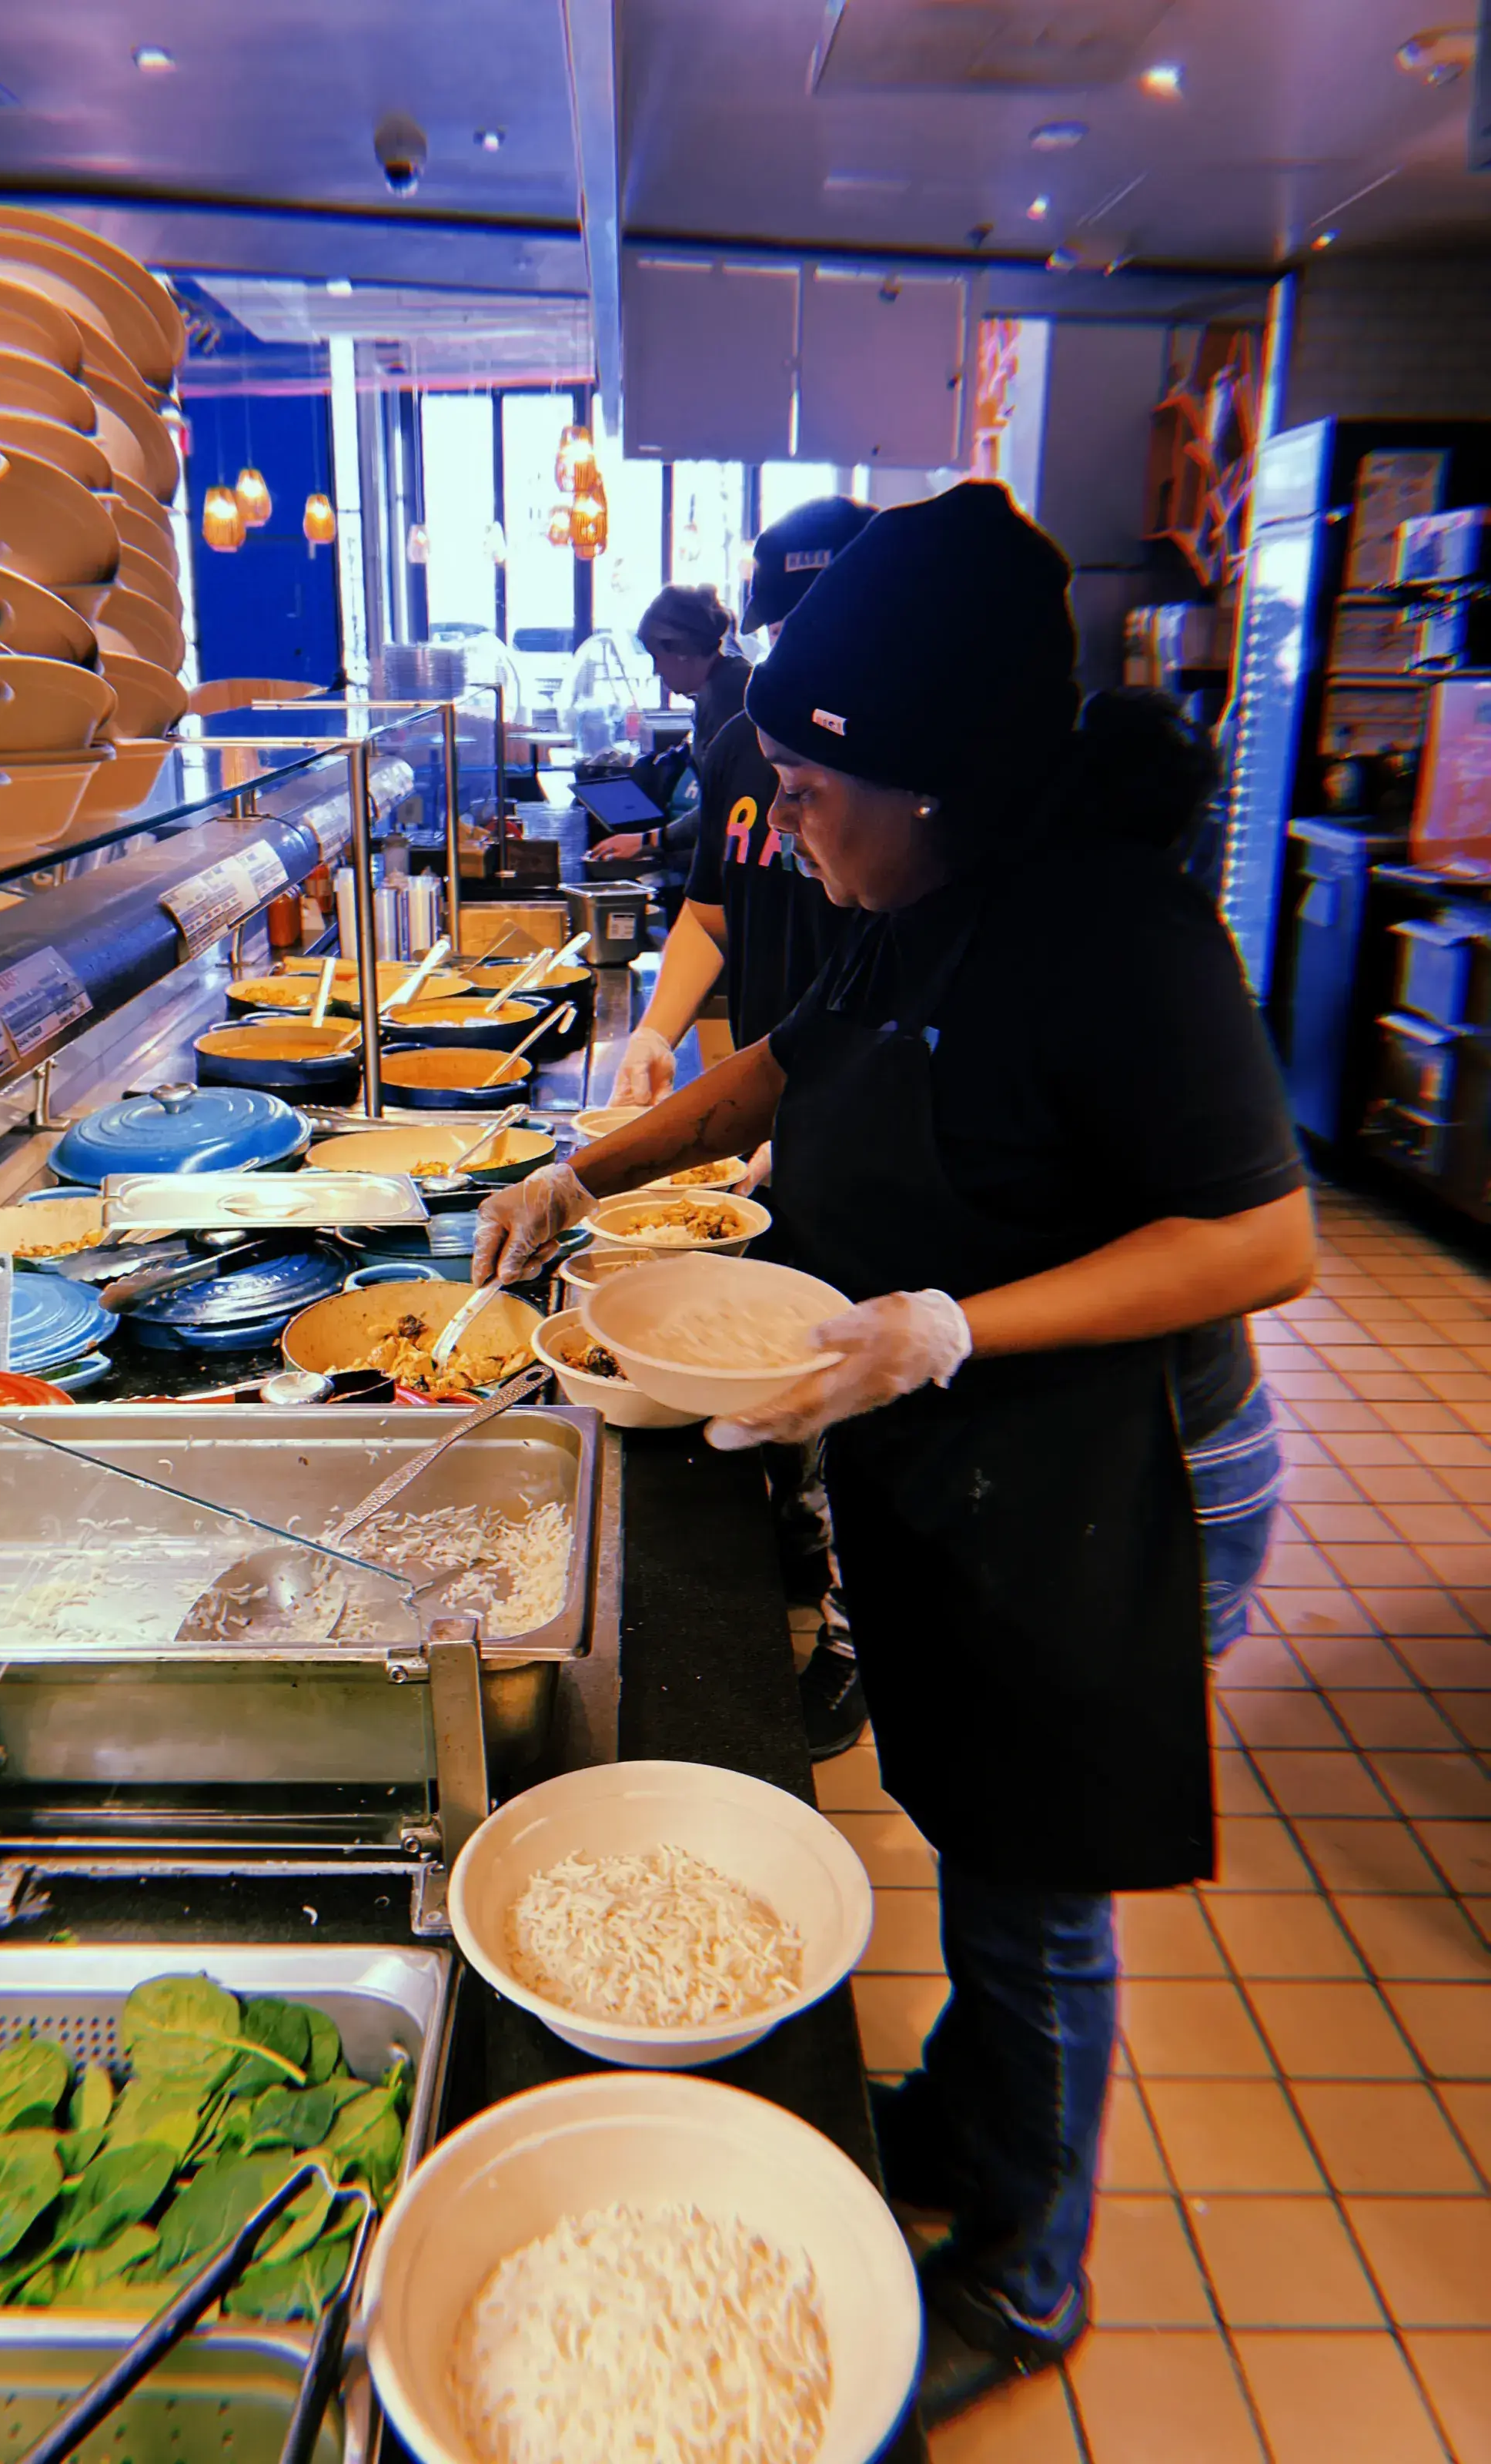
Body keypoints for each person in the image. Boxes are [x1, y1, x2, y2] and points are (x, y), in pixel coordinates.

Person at [471, 481, 1314, 2427]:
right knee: (967, 1808)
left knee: (1038, 1869)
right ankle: (962, 2106)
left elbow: (1260, 1238)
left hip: (1123, 1481)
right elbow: (783, 1072)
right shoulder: (903, 900)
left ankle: (1026, 2276)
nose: (782, 827)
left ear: (932, 779)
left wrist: (950, 1323)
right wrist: (575, 1164)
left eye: (810, 789)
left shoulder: (1108, 928)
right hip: (968, 1455)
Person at [610, 499, 878, 1758]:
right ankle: (790, 1544)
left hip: (859, 1122)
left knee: (855, 1374)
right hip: (759, 1107)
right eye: (784, 625)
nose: (796, 651)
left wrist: (818, 1115)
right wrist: (658, 1034)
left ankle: (851, 1638)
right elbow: (712, 917)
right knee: (768, 1353)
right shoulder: (738, 745)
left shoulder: (902, 783)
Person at [585, 584, 749, 871]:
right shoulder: (724, 684)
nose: (656, 671)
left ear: (681, 651)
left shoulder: (724, 697)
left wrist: (648, 840)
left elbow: (722, 805)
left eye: (656, 657)